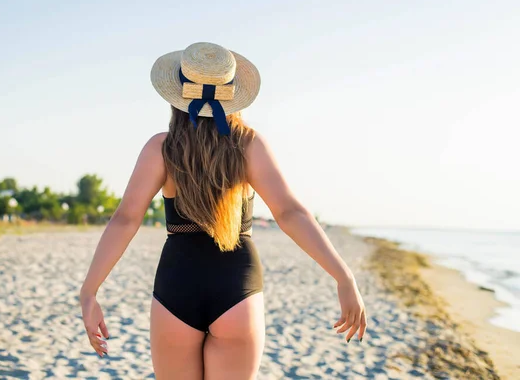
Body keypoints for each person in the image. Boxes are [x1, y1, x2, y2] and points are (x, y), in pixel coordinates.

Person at [79, 42, 367, 379]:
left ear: (176, 95)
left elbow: (125, 219)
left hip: (177, 284)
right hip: (237, 286)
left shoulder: (161, 147)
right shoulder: (249, 144)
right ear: (233, 96)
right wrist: (343, 276)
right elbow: (289, 212)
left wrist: (90, 291)